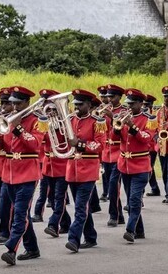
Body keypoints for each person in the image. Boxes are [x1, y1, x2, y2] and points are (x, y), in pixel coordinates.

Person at [0, 86, 46, 265]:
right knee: (20, 214)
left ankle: (11, 249)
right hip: (9, 173)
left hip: (28, 174)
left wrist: (18, 129)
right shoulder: (8, 120)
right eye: (12, 103)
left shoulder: (38, 120)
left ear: (27, 103)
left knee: (19, 214)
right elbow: (2, 148)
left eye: (18, 103)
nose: (14, 107)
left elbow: (35, 144)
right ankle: (32, 248)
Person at [64, 89, 107, 253]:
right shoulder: (70, 120)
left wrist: (79, 143)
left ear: (89, 105)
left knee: (80, 207)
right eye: (75, 104)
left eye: (80, 104)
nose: (77, 107)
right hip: (72, 169)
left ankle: (73, 239)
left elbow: (99, 145)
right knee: (82, 206)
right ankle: (90, 236)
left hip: (88, 170)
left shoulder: (98, 122)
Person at [114, 89, 155, 243]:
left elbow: (146, 139)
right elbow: (113, 138)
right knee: (131, 200)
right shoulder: (123, 117)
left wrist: (132, 126)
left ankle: (130, 230)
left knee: (134, 199)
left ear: (140, 103)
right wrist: (116, 128)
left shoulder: (149, 119)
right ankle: (140, 230)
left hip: (141, 166)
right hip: (125, 165)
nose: (128, 107)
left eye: (132, 104)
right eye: (127, 104)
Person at [40, 89, 71, 238]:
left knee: (59, 197)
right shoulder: (43, 122)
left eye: (52, 108)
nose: (49, 112)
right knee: (52, 198)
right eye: (47, 108)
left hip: (62, 165)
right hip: (48, 165)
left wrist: (58, 125)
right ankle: (65, 223)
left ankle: (53, 224)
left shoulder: (65, 121)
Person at [100, 84, 125, 226]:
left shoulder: (124, 111)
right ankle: (120, 215)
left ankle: (113, 215)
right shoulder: (103, 110)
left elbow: (121, 130)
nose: (109, 99)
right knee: (111, 186)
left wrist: (112, 116)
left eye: (112, 97)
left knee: (113, 185)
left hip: (118, 152)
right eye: (108, 96)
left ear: (119, 97)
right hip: (106, 152)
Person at [0, 87, 14, 244]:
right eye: (2, 104)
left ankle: (13, 230)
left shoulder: (22, 120)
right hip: (2, 165)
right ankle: (4, 231)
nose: (4, 107)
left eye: (7, 103)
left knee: (15, 205)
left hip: (18, 167)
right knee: (3, 200)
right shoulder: (1, 120)